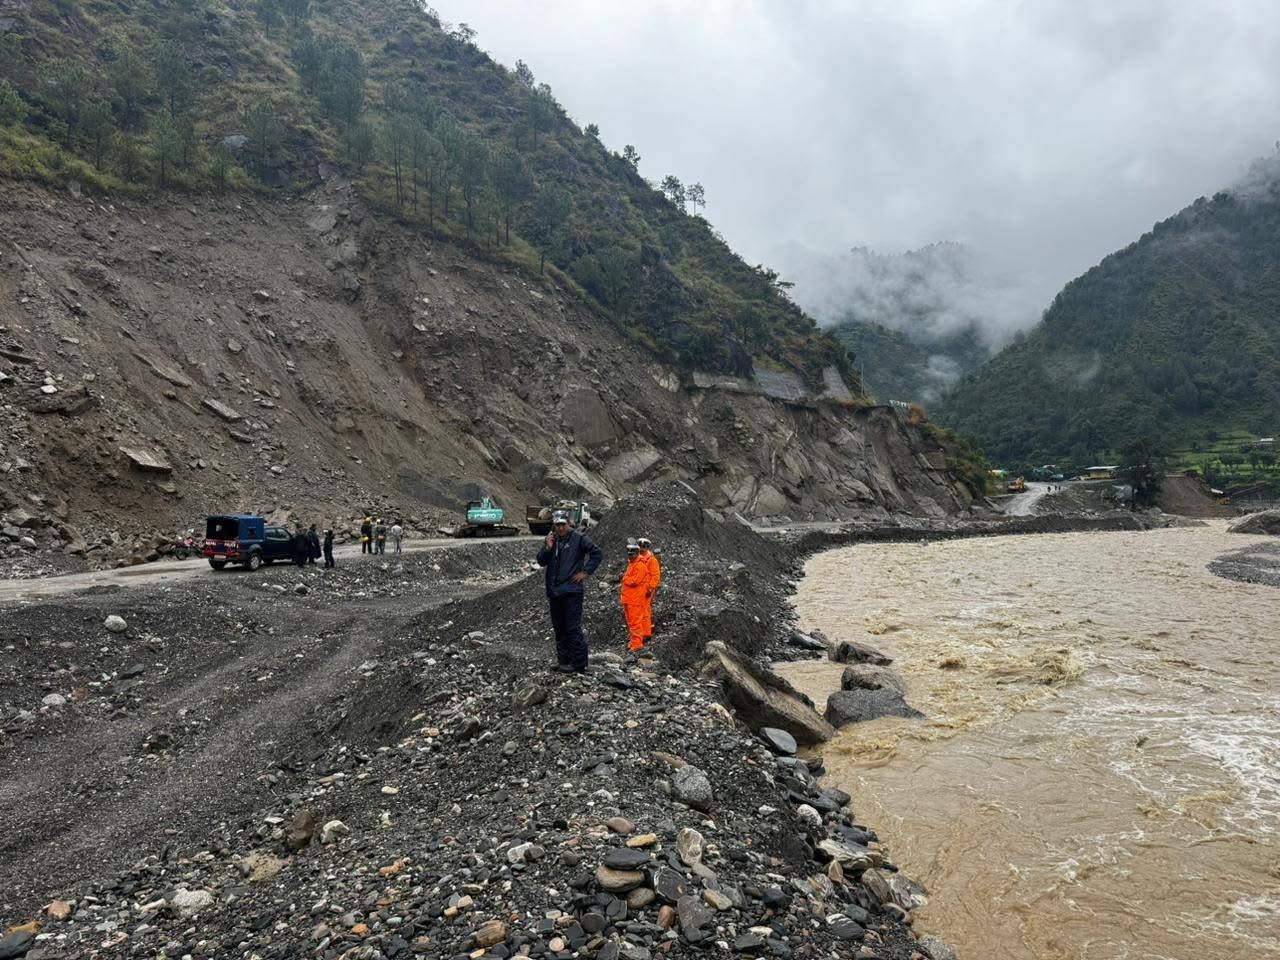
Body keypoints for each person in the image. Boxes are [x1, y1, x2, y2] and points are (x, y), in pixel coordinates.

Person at [536, 510, 602, 673]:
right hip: (554, 591)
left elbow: (596, 553)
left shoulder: (579, 538)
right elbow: (541, 561)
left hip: (572, 591)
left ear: (568, 523)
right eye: (557, 525)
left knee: (572, 628)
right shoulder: (552, 539)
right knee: (559, 628)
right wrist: (547, 548)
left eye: (562, 524)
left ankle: (578, 664)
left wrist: (585, 572)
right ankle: (563, 661)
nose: (560, 528)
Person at [620, 541, 651, 652]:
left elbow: (634, 581)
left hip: (635, 600)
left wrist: (624, 578)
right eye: (628, 552)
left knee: (635, 622)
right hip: (629, 599)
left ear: (637, 553)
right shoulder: (632, 564)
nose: (630, 554)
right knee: (631, 622)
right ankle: (634, 641)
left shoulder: (640, 565)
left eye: (632, 552)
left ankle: (637, 644)